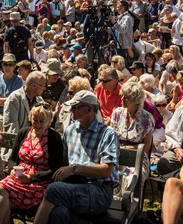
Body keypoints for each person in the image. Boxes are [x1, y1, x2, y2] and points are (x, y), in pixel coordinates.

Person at [33, 90, 120, 224]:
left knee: (54, 189)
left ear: (90, 109)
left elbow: (107, 170)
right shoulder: (70, 131)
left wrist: (75, 169)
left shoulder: (107, 133)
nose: (72, 110)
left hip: (99, 190)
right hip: (74, 186)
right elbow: (64, 163)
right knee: (58, 213)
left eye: (76, 107)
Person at [0, 103, 64, 224]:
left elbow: (55, 169)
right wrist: (15, 170)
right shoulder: (23, 133)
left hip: (40, 183)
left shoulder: (53, 138)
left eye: (41, 121)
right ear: (30, 118)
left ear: (49, 121)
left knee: (5, 203)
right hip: (19, 177)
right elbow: (12, 160)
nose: (37, 125)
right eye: (35, 120)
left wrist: (31, 178)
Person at [109, 82, 154, 188]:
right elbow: (109, 138)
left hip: (137, 157)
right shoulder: (117, 113)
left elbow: (146, 147)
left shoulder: (147, 118)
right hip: (116, 155)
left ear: (135, 100)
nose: (122, 99)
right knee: (106, 173)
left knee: (132, 178)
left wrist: (126, 148)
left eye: (126, 98)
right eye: (122, 96)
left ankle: (129, 202)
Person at [110, 0, 134, 66]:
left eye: (118, 7)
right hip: (118, 44)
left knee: (123, 65)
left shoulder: (127, 18)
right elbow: (115, 29)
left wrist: (114, 22)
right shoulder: (120, 17)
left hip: (124, 46)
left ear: (123, 7)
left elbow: (123, 30)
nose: (117, 9)